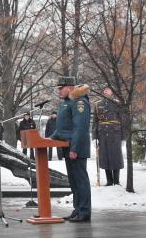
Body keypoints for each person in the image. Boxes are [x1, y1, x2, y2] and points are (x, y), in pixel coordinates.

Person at [50, 76, 91, 222]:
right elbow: (62, 127)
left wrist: (75, 148)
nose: (59, 91)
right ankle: (77, 209)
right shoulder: (66, 103)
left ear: (70, 88)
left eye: (61, 88)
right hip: (67, 147)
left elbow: (80, 128)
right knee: (74, 182)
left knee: (80, 181)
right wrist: (50, 139)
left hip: (76, 147)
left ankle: (84, 211)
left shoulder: (80, 102)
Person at [92, 87, 124, 186]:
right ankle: (109, 181)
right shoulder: (97, 104)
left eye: (108, 89)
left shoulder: (117, 103)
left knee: (116, 157)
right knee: (105, 157)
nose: (106, 91)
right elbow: (95, 122)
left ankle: (116, 181)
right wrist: (94, 136)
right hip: (102, 134)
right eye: (105, 90)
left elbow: (123, 120)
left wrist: (123, 137)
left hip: (115, 134)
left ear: (112, 92)